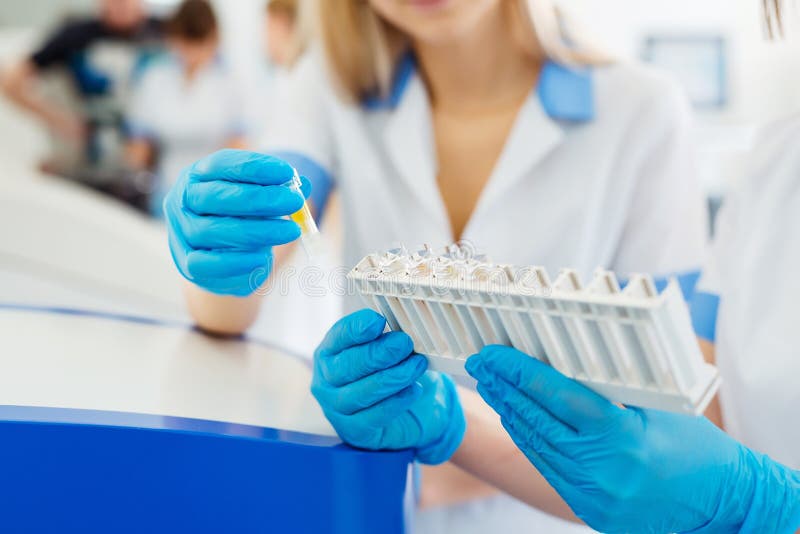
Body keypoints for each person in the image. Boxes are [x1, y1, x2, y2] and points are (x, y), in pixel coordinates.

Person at [163, 0, 707, 531]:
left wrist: (450, 431)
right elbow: (231, 306)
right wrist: (216, 250)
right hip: (365, 506)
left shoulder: (644, 112)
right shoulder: (329, 83)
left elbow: (667, 444)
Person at [303, 2, 800, 532]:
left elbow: (688, 464)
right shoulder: (776, 160)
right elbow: (668, 440)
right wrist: (448, 420)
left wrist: (764, 505)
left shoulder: (643, 107)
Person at [0, 0, 162, 165]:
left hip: (156, 157)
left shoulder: (167, 32)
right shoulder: (76, 35)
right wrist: (58, 120)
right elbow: (11, 80)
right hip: (90, 156)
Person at [125, 0, 246, 214]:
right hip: (163, 195)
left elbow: (238, 148)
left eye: (199, 44)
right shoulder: (156, 77)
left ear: (213, 39)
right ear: (174, 39)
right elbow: (138, 148)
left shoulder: (230, 83)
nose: (192, 54)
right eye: (185, 44)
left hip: (215, 197)